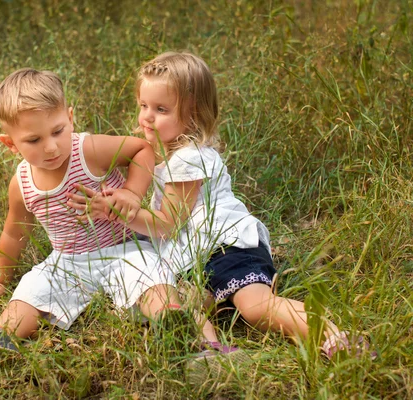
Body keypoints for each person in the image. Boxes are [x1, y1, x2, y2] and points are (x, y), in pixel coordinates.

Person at [66, 52, 374, 376]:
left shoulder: (190, 159)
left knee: (254, 308)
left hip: (224, 247)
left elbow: (168, 225)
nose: (147, 117)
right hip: (191, 258)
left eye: (161, 109)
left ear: (193, 113)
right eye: (143, 105)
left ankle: (334, 335)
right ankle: (214, 354)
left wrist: (120, 213)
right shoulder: (155, 151)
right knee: (177, 306)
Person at [0, 68, 196, 370]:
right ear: (10, 144)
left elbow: (141, 148)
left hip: (125, 246)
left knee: (149, 276)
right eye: (34, 140)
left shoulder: (88, 150)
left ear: (70, 118)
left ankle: (172, 321)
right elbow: (14, 233)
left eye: (58, 131)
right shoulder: (22, 183)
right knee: (33, 287)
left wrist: (130, 192)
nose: (51, 146)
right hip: (69, 259)